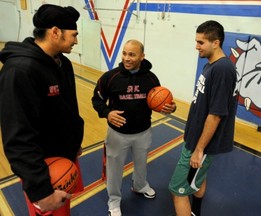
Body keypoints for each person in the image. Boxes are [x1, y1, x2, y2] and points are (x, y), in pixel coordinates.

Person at [0, 4, 84, 216]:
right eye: (73, 35)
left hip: (64, 157)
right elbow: (18, 138)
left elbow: (68, 109)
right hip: (45, 170)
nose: (76, 40)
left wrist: (74, 141)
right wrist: (41, 191)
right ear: (55, 32)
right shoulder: (20, 71)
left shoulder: (63, 63)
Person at [92, 39, 177, 216]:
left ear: (142, 56)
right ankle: (114, 200)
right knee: (114, 169)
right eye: (124, 53)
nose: (127, 58)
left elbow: (159, 101)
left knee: (141, 164)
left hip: (143, 131)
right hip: (117, 133)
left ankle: (139, 186)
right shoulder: (110, 77)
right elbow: (96, 99)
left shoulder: (151, 78)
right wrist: (107, 112)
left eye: (132, 54)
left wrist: (170, 108)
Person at [168, 20, 238, 216]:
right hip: (196, 139)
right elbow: (203, 102)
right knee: (199, 177)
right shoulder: (211, 65)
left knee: (177, 190)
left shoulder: (222, 69)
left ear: (215, 43)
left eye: (201, 42)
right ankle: (196, 211)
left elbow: (216, 115)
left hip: (201, 144)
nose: (196, 46)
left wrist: (199, 149)